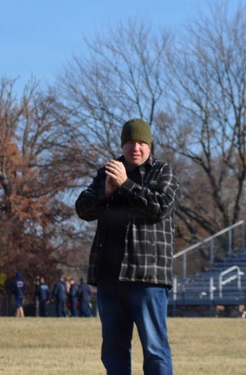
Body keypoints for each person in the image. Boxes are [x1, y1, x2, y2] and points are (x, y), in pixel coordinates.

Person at [76, 118, 181, 375]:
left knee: (155, 349)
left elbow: (161, 207)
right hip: (109, 278)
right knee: (113, 349)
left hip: (147, 278)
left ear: (150, 145)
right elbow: (83, 209)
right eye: (130, 142)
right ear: (122, 145)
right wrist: (106, 192)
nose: (136, 147)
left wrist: (126, 185)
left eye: (142, 142)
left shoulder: (162, 171)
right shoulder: (107, 171)